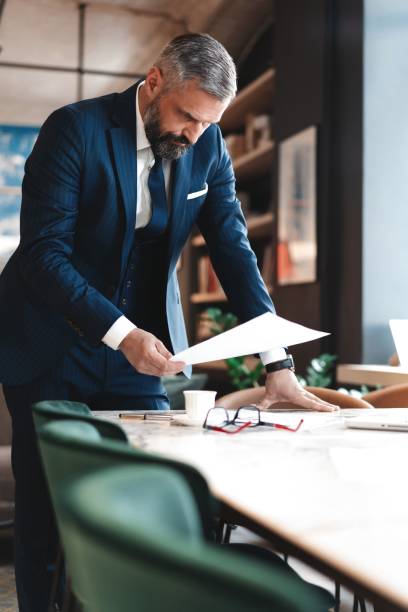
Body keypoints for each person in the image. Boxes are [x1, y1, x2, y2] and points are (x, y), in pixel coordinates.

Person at [0, 33, 337, 611]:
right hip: (49, 340)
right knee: (48, 513)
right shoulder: (74, 129)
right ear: (154, 82)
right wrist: (121, 332)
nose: (193, 134)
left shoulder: (206, 147)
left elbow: (233, 250)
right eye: (186, 116)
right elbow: (42, 255)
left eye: (208, 123)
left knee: (158, 491)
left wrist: (277, 363)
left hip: (141, 347)